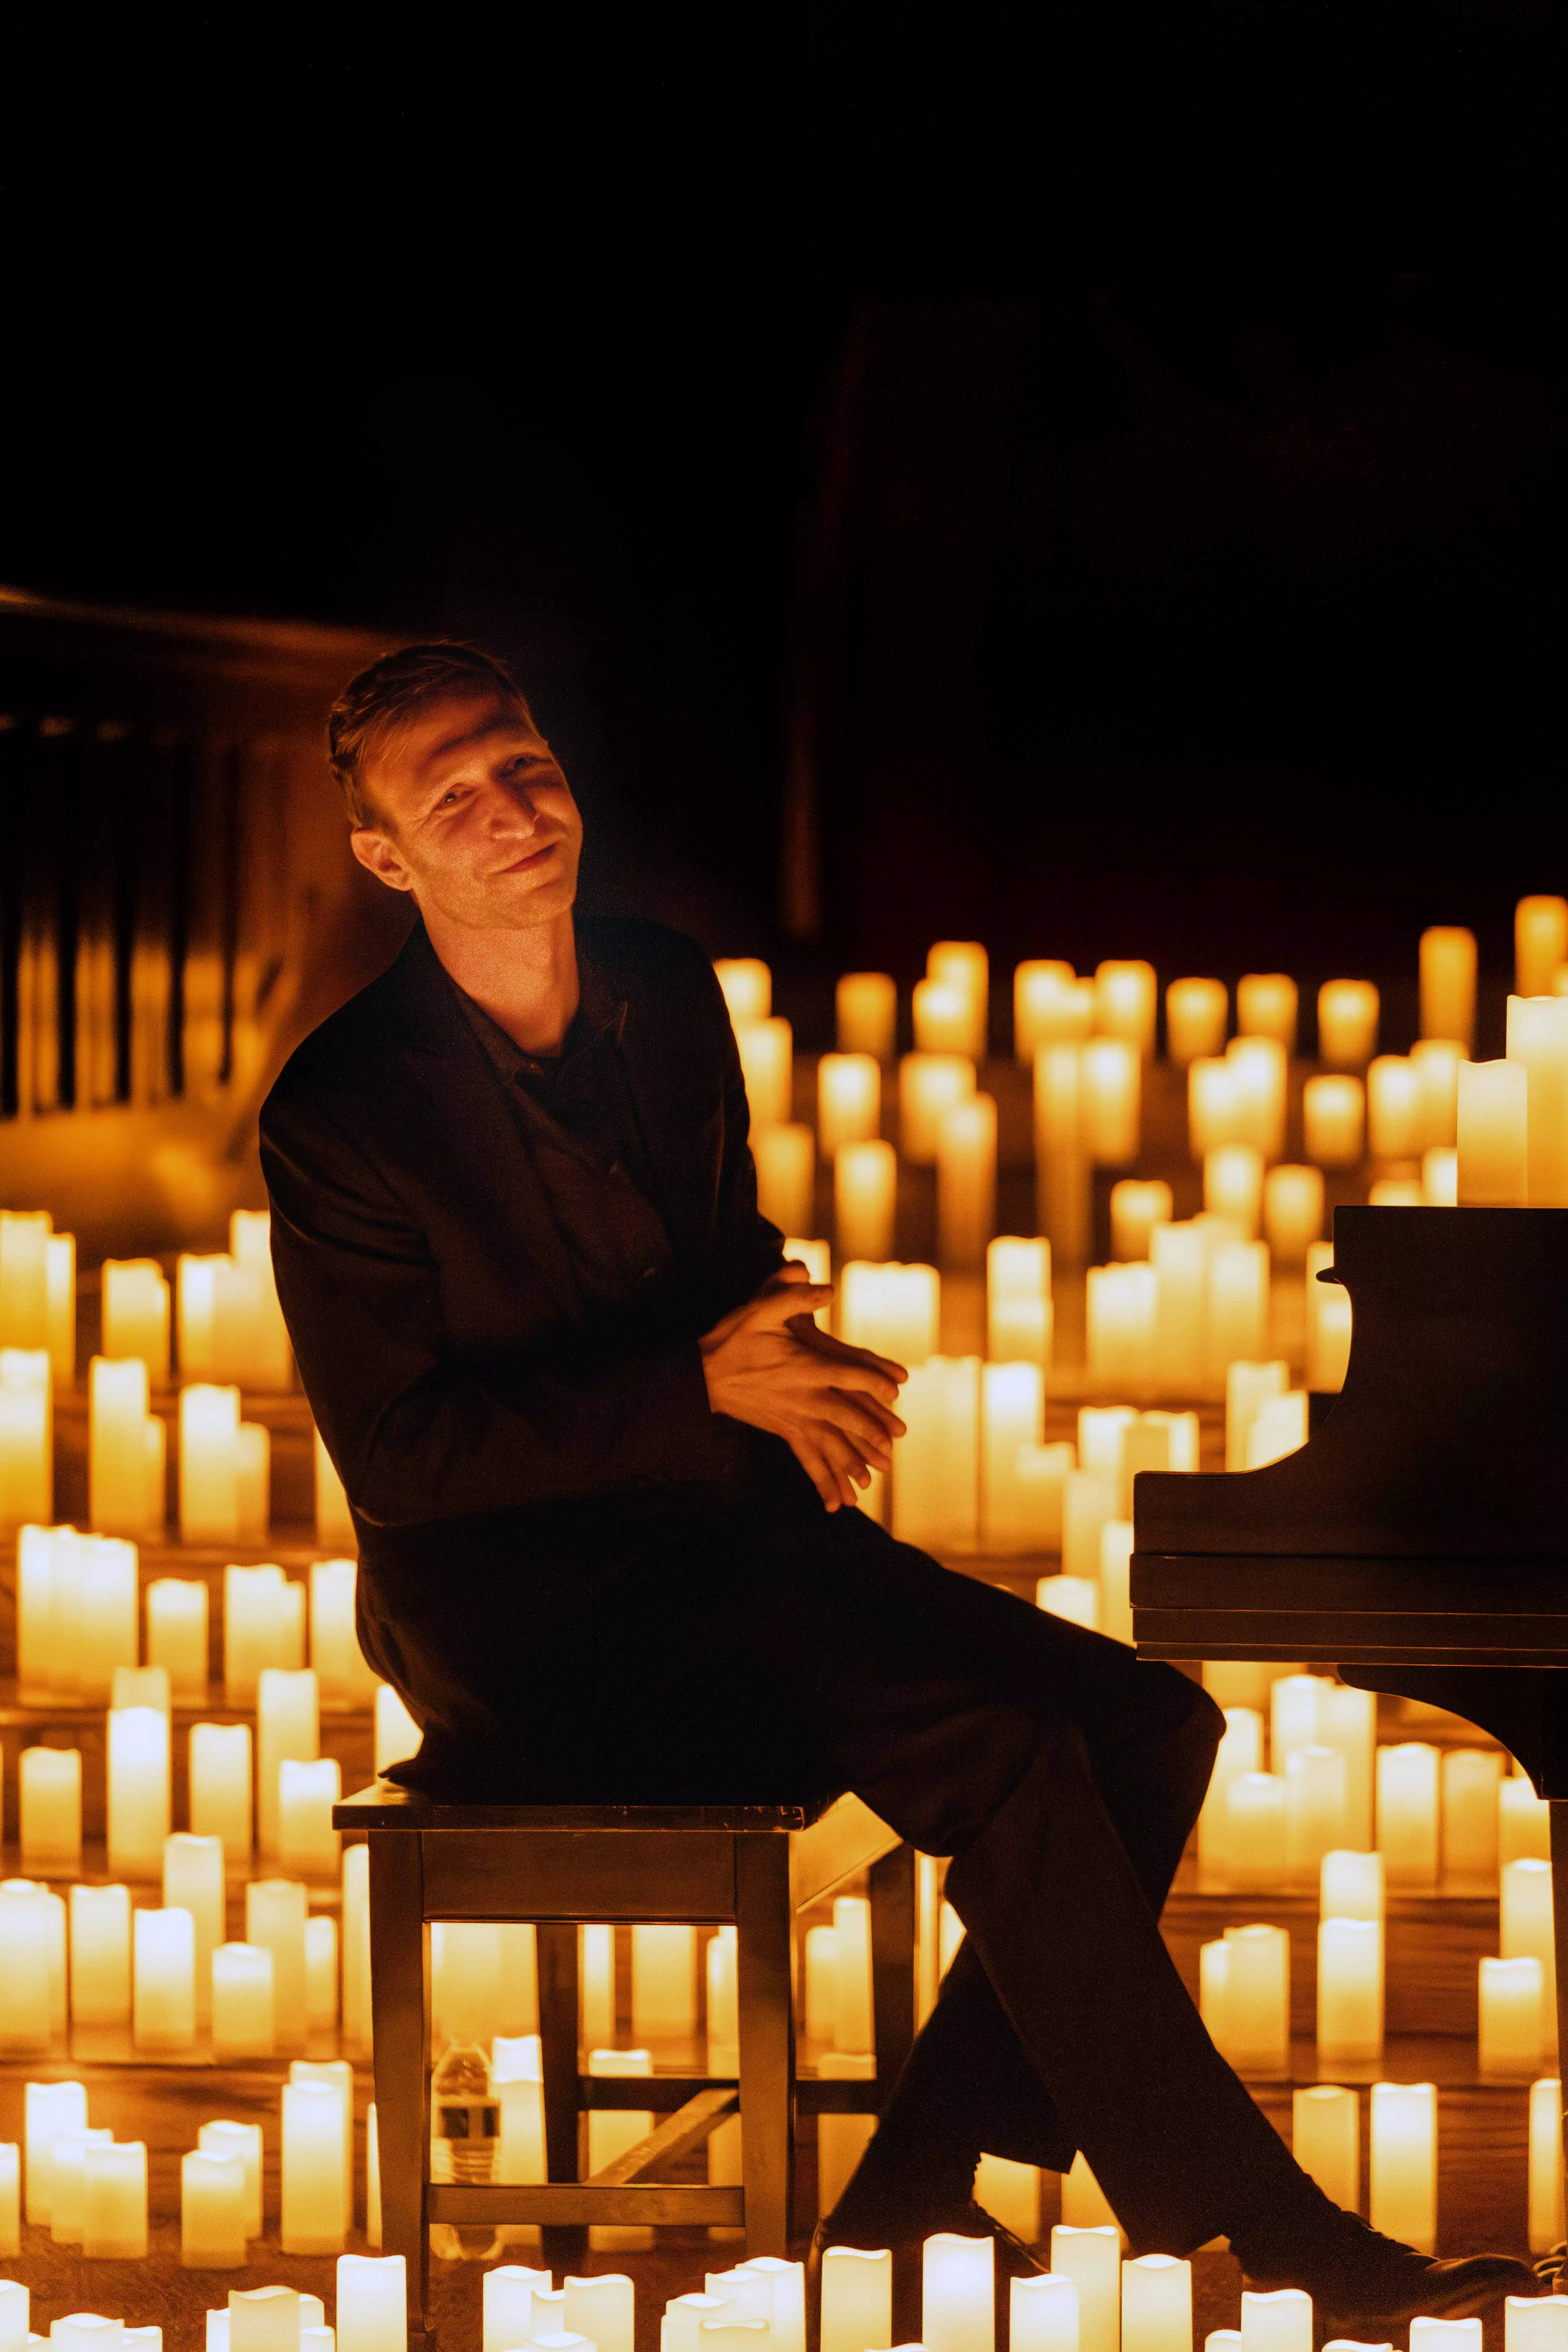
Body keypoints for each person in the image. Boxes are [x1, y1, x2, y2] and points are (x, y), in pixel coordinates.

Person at [260, 642, 1533, 2324]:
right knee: (997, 1751)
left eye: (520, 762)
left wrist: (794, 1367)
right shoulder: (342, 1108)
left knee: (1151, 1719)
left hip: (726, 1542)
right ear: (385, 854)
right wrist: (698, 1383)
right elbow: (403, 1456)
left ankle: (913, 2191)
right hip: (526, 1624)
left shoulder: (661, 984)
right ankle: (1261, 2227)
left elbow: (717, 1261)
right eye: (452, 798)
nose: (508, 811)